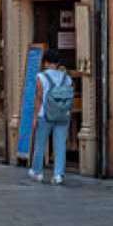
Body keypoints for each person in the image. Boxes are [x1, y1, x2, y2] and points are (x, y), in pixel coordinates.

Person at [29, 51, 75, 185]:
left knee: (40, 144)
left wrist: (35, 117)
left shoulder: (41, 77)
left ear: (46, 62)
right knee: (60, 145)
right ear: (58, 63)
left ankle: (37, 172)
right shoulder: (67, 78)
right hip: (63, 115)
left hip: (45, 115)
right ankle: (58, 175)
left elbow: (38, 98)